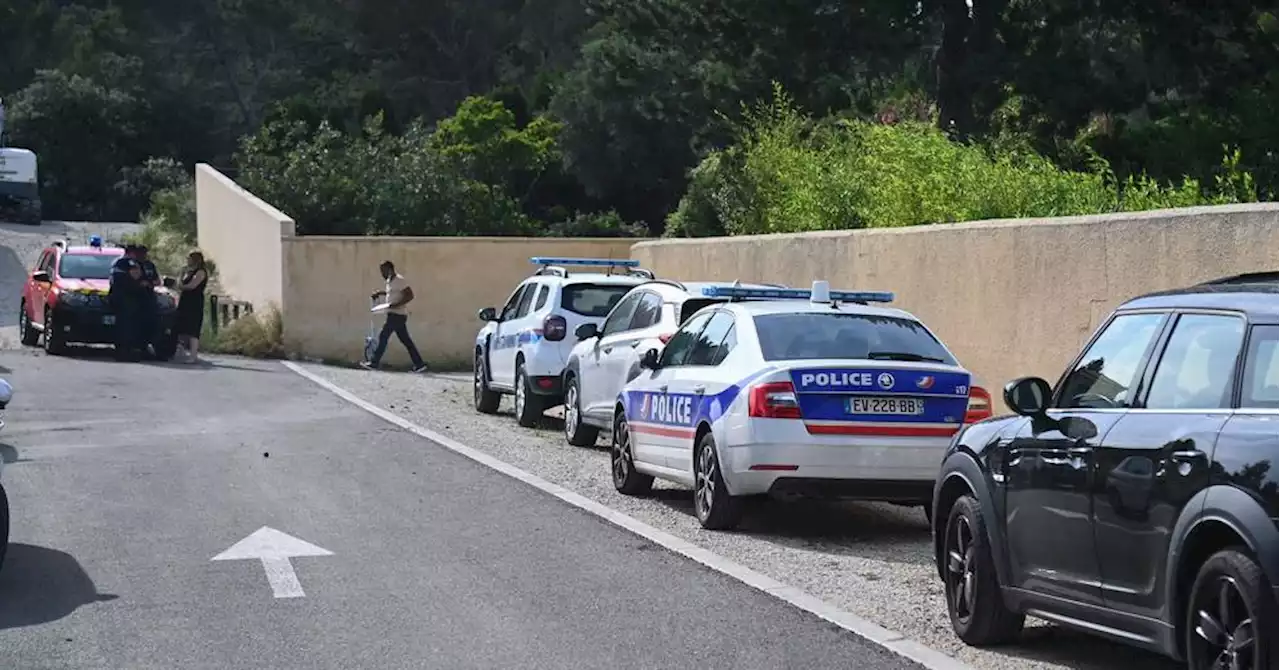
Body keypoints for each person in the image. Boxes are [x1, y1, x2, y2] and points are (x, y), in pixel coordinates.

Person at [361, 260, 427, 372]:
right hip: (393, 314)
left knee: (383, 336)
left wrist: (396, 305)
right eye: (381, 271)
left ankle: (374, 362)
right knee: (406, 341)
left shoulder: (400, 280)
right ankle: (420, 364)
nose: (382, 273)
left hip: (398, 314)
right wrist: (381, 293)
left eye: (384, 271)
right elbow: (393, 293)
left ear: (390, 270)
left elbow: (409, 295)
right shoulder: (389, 282)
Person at [108, 244, 144, 361]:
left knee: (120, 323)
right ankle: (125, 351)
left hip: (115, 295)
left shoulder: (116, 261)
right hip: (126, 297)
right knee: (127, 324)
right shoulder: (129, 262)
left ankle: (119, 349)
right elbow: (136, 275)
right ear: (132, 253)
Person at [175, 250, 209, 363]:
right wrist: (181, 274)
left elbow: (192, 286)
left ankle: (193, 355)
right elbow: (180, 283)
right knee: (181, 324)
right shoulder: (189, 271)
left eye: (189, 258)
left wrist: (182, 286)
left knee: (193, 327)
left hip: (194, 301)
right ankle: (180, 351)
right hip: (185, 300)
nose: (187, 261)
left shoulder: (200, 272)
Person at [134, 245, 161, 355]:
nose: (143, 255)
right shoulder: (133, 264)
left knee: (150, 323)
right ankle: (137, 346)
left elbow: (157, 281)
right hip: (136, 298)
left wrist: (149, 283)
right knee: (136, 323)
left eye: (144, 253)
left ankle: (147, 346)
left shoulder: (150, 265)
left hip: (149, 298)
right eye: (140, 253)